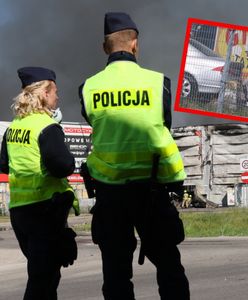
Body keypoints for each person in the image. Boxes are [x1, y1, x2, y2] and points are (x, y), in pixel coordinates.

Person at [78, 12, 190, 300]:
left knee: (115, 273)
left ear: (106, 47)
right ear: (135, 44)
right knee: (169, 267)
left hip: (110, 194)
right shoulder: (158, 83)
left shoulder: (89, 88)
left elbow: (98, 128)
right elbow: (163, 126)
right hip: (151, 190)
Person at [0, 66, 78, 300]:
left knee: (43, 275)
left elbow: (4, 165)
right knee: (42, 280)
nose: (58, 97)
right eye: (55, 92)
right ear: (44, 93)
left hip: (20, 214)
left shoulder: (13, 128)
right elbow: (63, 166)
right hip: (45, 211)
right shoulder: (46, 127)